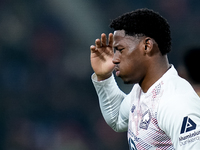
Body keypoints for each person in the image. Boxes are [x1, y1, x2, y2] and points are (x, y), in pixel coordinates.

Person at [90, 8, 200, 150]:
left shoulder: (176, 102)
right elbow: (117, 118)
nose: (114, 59)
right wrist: (104, 77)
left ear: (147, 46)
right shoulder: (142, 90)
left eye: (120, 50)